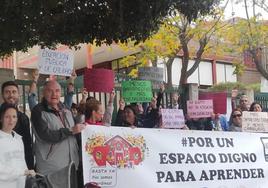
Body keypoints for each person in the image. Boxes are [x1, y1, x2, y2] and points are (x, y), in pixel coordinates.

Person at [31, 80, 85, 175]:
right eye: (50, 91)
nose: (54, 94)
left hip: (72, 164)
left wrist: (84, 128)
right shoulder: (38, 111)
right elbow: (46, 135)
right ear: (43, 92)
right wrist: (71, 130)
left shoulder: (66, 110)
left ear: (60, 93)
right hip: (51, 169)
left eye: (57, 91)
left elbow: (75, 132)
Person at [0, 81, 34, 169]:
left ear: (18, 94)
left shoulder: (24, 118)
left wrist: (30, 167)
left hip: (21, 167)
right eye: (7, 92)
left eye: (14, 92)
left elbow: (27, 145)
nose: (11, 95)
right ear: (2, 95)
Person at [0, 104, 35, 188]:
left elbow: (22, 163)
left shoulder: (18, 139)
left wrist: (27, 172)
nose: (11, 120)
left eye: (14, 116)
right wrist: (22, 172)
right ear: (1, 119)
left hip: (20, 184)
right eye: (7, 117)